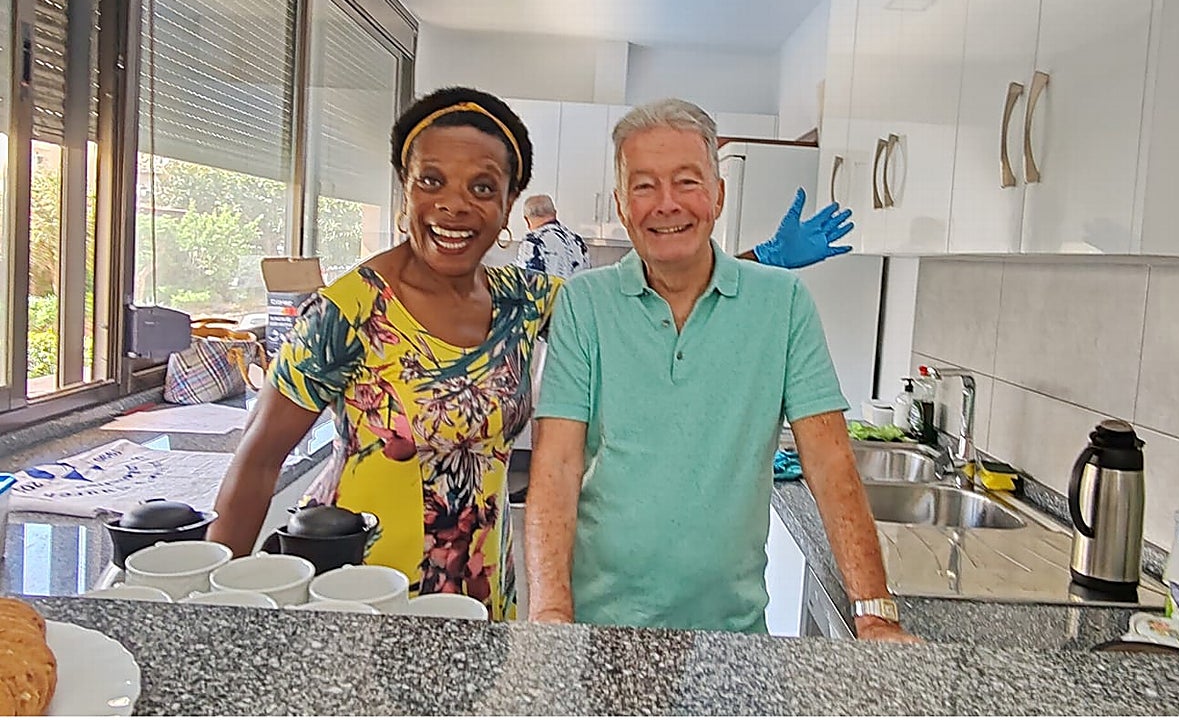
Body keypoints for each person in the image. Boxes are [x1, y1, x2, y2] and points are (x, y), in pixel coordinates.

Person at [207, 86, 852, 622]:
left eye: (483, 188)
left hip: (483, 593)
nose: (455, 205)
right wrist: (211, 604)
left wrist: (759, 261)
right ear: (405, 187)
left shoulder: (522, 299)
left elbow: (646, 291)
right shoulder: (347, 310)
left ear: (509, 205)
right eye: (432, 181)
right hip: (358, 589)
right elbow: (259, 459)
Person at [524, 98, 914, 641]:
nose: (666, 204)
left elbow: (829, 461)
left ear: (718, 195)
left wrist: (874, 612)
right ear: (620, 203)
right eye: (644, 186)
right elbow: (556, 467)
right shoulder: (584, 305)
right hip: (600, 629)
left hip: (733, 635)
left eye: (687, 182)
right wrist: (549, 616)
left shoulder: (783, 305)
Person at [513, 194, 590, 278]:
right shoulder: (577, 241)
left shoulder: (532, 242)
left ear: (526, 219)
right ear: (555, 213)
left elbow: (525, 283)